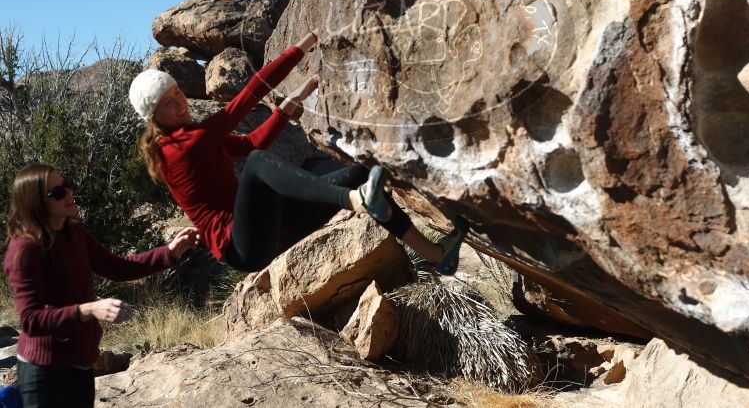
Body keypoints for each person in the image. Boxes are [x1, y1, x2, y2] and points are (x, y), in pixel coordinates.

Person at [130, 29, 467, 275]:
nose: (180, 103)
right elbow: (245, 99)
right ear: (154, 116)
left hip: (269, 228)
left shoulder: (192, 137)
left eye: (178, 93)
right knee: (261, 167)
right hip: (241, 247)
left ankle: (436, 254)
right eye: (168, 103)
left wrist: (283, 111)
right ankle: (355, 201)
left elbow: (250, 144)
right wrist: (301, 47)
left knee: (360, 173)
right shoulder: (177, 148)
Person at [2, 163, 200, 407]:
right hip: (44, 371)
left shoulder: (74, 231)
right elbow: (31, 320)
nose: (69, 192)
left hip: (80, 362)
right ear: (36, 203)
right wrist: (90, 309)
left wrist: (169, 252)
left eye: (67, 185)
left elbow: (116, 267)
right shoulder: (24, 251)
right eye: (58, 192)